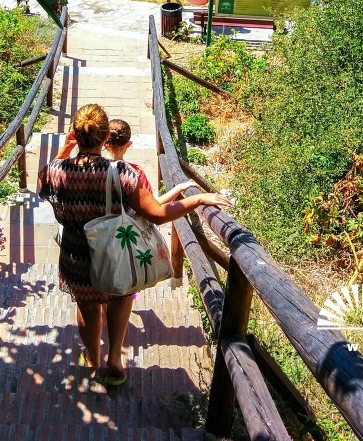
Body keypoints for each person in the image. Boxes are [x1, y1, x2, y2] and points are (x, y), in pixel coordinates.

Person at [38, 104, 233, 387]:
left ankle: (92, 359)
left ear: (76, 135)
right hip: (115, 253)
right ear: (106, 138)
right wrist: (198, 199)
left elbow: (43, 181)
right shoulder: (123, 174)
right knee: (119, 298)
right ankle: (114, 358)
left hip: (76, 254)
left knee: (87, 307)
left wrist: (65, 149)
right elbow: (156, 214)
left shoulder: (58, 171)